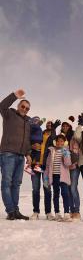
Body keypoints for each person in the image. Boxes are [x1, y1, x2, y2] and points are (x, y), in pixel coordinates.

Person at [0, 89, 31, 220]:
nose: (24, 109)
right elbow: (1, 106)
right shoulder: (9, 114)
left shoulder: (28, 123)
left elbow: (27, 140)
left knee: (16, 184)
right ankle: (11, 210)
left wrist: (28, 154)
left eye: (27, 108)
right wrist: (14, 96)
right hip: (7, 154)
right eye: (23, 106)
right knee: (7, 182)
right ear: (18, 106)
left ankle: (16, 210)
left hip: (20, 156)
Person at [30, 119, 61, 220]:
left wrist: (54, 128)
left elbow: (55, 140)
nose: (49, 124)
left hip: (46, 167)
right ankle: (36, 211)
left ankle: (48, 212)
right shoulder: (39, 134)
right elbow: (31, 142)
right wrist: (32, 146)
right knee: (35, 188)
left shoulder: (53, 137)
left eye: (51, 124)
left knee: (47, 189)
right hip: (36, 165)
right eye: (48, 123)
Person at [43, 134, 72, 222]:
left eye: (62, 141)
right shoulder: (51, 151)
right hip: (54, 176)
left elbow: (68, 164)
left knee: (65, 193)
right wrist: (46, 178)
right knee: (56, 194)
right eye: (58, 141)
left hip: (63, 177)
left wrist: (66, 155)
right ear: (55, 142)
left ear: (64, 142)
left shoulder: (66, 151)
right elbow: (48, 166)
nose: (60, 143)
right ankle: (57, 213)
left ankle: (66, 213)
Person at [61, 116, 81, 220]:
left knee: (73, 187)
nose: (65, 127)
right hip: (65, 167)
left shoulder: (74, 136)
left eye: (67, 126)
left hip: (74, 165)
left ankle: (76, 211)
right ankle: (70, 210)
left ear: (69, 127)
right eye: (63, 126)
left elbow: (77, 149)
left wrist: (79, 124)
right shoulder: (61, 138)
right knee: (67, 189)